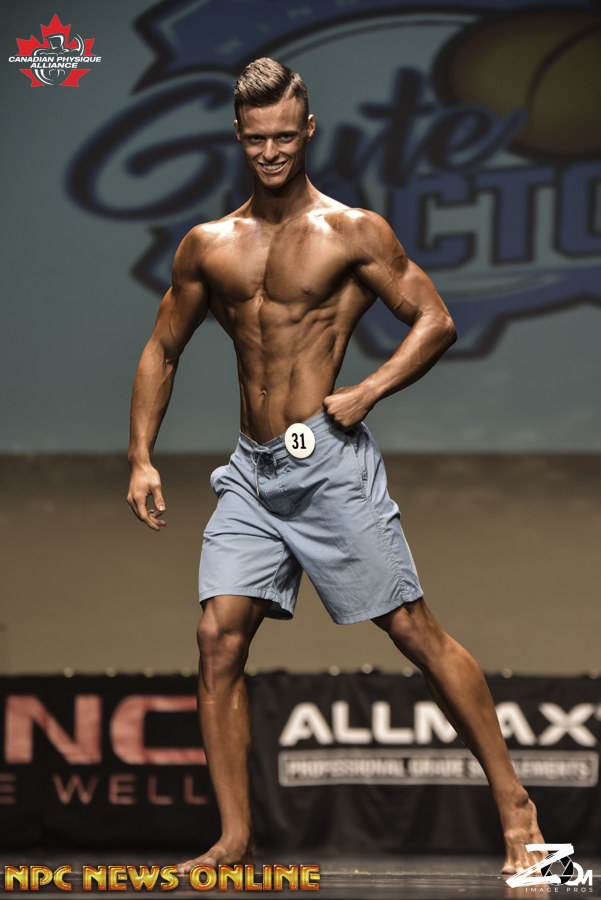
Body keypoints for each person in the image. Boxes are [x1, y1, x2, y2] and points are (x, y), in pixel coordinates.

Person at [127, 58, 543, 876]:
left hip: (326, 463)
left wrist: (370, 389)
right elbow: (162, 347)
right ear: (238, 136)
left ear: (308, 130)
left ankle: (515, 807)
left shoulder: (352, 231)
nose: (271, 151)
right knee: (216, 637)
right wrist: (140, 455)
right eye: (257, 138)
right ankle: (234, 841)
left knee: (412, 631)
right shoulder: (208, 245)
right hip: (252, 473)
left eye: (285, 136)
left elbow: (434, 320)